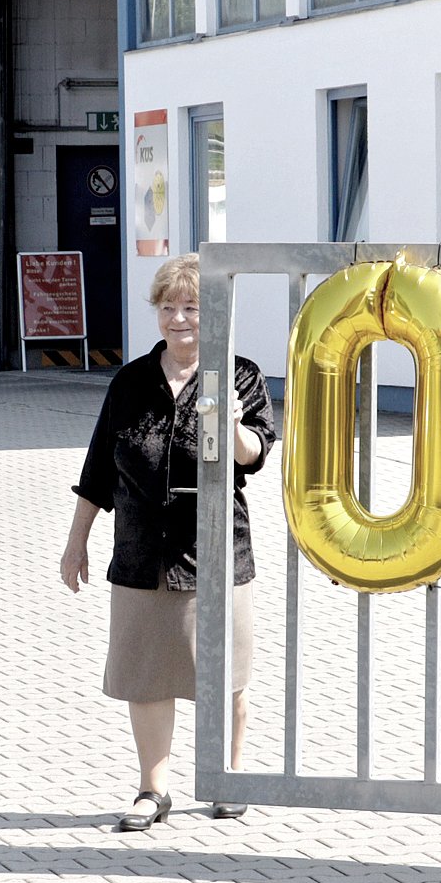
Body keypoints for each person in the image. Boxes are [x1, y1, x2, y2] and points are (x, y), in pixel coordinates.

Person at [59, 253, 276, 833]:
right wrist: (76, 542)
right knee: (147, 674)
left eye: (192, 307)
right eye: (169, 307)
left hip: (214, 552)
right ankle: (153, 789)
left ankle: (229, 777)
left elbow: (255, 454)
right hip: (139, 551)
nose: (180, 319)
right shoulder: (130, 381)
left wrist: (228, 424)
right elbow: (99, 466)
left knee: (225, 672)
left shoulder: (240, 375)